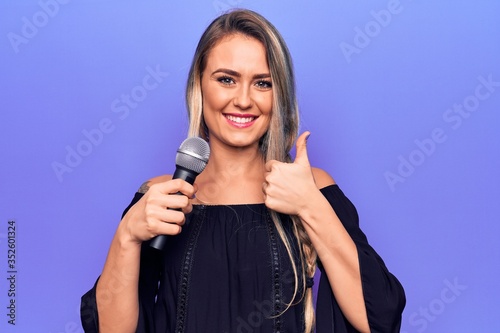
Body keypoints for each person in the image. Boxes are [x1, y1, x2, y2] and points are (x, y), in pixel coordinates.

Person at [81, 9, 405, 333]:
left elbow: (378, 319)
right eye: (226, 79)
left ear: (277, 95)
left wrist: (309, 205)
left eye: (262, 83)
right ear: (199, 84)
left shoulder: (310, 187)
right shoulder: (162, 197)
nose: (244, 100)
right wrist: (127, 236)